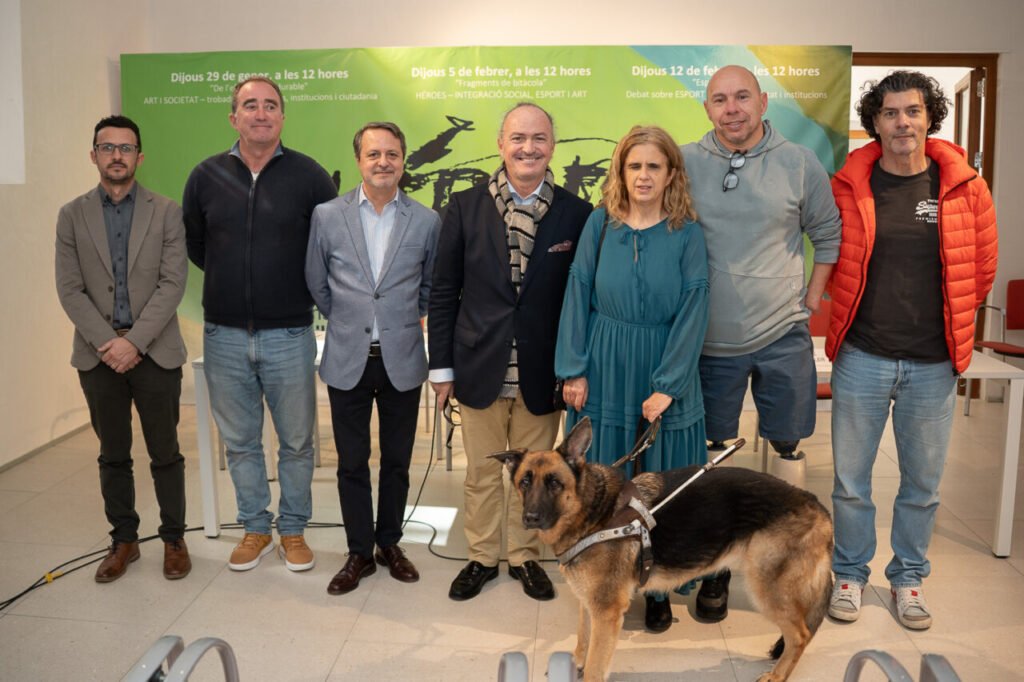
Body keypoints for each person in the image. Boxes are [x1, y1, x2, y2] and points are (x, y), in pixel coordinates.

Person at [825, 71, 997, 630]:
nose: (903, 122)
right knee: (851, 482)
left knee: (922, 485)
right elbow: (832, 255)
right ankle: (849, 573)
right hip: (863, 356)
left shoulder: (965, 186)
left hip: (934, 362)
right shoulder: (849, 184)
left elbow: (983, 267)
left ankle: (908, 578)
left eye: (913, 111)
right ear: (875, 122)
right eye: (891, 112)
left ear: (930, 119)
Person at [681, 64, 842, 622]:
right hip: (711, 339)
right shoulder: (685, 161)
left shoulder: (800, 162)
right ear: (707, 107)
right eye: (720, 99)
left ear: (763, 102)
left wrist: (812, 298)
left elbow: (828, 233)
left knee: (788, 450)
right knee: (715, 458)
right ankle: (717, 573)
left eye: (742, 97)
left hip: (782, 334)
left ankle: (788, 566)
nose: (732, 109)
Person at [428, 102, 592, 602]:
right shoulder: (463, 207)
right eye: (518, 138)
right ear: (501, 144)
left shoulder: (577, 214)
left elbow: (582, 299)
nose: (528, 147)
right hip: (478, 365)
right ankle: (481, 556)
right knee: (481, 474)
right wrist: (441, 368)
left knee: (537, 480)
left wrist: (576, 367)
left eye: (539, 138)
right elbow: (443, 291)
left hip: (542, 373)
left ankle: (525, 558)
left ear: (552, 147)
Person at [556, 125, 709, 632]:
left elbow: (694, 307)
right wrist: (573, 369)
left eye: (654, 166)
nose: (644, 176)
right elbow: (578, 293)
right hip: (605, 364)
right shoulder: (599, 223)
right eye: (634, 165)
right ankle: (605, 575)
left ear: (671, 174)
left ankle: (658, 585)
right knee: (605, 482)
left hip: (665, 361)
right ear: (621, 172)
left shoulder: (687, 232)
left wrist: (668, 384)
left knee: (663, 482)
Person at [183, 77, 337, 572]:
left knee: (297, 442)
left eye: (271, 105)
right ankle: (255, 528)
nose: (261, 113)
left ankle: (292, 530)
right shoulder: (205, 176)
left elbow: (326, 246)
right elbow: (198, 246)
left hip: (290, 334)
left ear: (282, 117)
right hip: (224, 335)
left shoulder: (311, 177)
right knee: (240, 442)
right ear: (234, 118)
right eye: (250, 105)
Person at [305, 122, 440, 594]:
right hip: (348, 357)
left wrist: (398, 318)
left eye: (392, 154)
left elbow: (429, 287)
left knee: (397, 461)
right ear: (359, 160)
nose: (383, 162)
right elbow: (317, 281)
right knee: (351, 462)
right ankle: (359, 551)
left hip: (402, 358)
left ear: (403, 160)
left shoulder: (426, 221)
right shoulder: (327, 216)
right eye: (373, 154)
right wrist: (350, 319)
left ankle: (389, 544)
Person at [55, 115, 190, 582]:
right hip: (98, 356)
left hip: (155, 352)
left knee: (165, 453)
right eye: (108, 147)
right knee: (113, 454)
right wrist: (109, 343)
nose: (117, 155)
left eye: (126, 148)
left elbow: (172, 284)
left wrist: (133, 343)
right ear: (94, 155)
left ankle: (174, 539)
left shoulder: (166, 211)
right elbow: (70, 289)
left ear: (140, 156)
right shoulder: (71, 215)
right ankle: (124, 540)